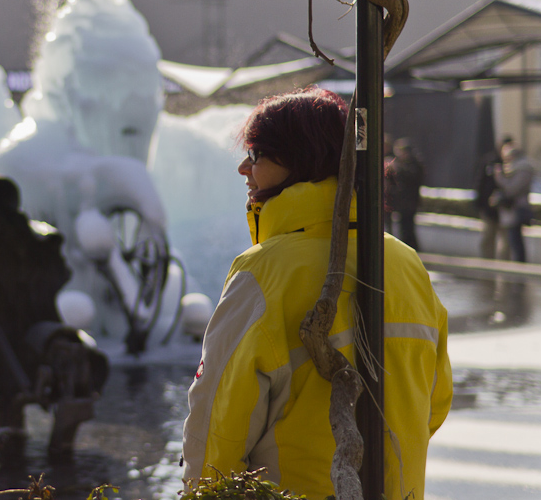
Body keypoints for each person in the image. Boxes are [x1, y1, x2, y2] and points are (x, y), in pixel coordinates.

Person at [182, 87, 452, 500]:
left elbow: (217, 421)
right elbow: (434, 403)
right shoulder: (407, 264)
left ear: (300, 159)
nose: (243, 169)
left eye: (256, 156)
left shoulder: (263, 272)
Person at [491, 142, 534, 263]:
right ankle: (516, 263)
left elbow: (512, 189)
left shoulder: (523, 169)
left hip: (516, 209)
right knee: (512, 240)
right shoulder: (513, 169)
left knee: (515, 241)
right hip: (511, 210)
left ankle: (519, 264)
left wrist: (499, 177)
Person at [474, 138, 511, 259]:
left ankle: (503, 268)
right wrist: (480, 204)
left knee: (506, 242)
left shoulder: (511, 164)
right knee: (488, 238)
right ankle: (487, 267)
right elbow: (481, 183)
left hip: (505, 209)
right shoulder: (490, 161)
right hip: (489, 209)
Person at [385, 137, 424, 250]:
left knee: (408, 226)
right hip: (402, 200)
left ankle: (411, 247)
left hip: (410, 201)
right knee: (403, 225)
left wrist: (397, 168)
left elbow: (412, 178)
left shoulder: (414, 164)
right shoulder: (399, 162)